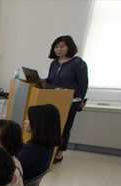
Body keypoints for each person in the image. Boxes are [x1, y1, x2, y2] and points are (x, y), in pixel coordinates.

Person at [45, 35, 88, 164]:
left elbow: (83, 83)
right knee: (52, 127)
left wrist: (81, 101)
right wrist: (40, 81)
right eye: (56, 47)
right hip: (54, 99)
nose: (58, 49)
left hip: (71, 101)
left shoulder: (78, 63)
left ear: (69, 47)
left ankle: (59, 154)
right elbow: (51, 80)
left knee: (65, 127)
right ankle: (49, 151)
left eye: (62, 46)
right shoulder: (54, 63)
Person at [17, 104, 61, 181]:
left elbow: (7, 169)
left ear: (38, 124)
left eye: (28, 119)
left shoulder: (31, 152)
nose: (25, 122)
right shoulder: (46, 146)